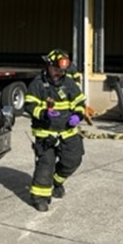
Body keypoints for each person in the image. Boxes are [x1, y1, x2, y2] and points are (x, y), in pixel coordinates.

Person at [23, 49, 87, 212]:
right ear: (48, 66)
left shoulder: (69, 83)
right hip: (46, 133)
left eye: (62, 70)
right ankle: (39, 197)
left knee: (73, 159)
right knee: (46, 165)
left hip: (68, 132)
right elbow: (29, 105)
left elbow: (80, 102)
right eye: (56, 69)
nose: (59, 73)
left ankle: (56, 182)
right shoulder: (38, 84)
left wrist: (78, 115)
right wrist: (44, 113)